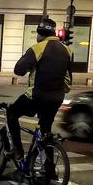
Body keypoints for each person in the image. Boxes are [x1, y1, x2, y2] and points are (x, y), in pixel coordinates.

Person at [7, 18, 73, 164]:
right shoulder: (67, 50)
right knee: (45, 131)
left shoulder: (37, 48)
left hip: (36, 96)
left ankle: (18, 150)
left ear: (39, 34)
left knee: (12, 113)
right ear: (53, 32)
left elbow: (18, 70)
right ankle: (49, 167)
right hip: (57, 98)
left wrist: (30, 65)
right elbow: (68, 79)